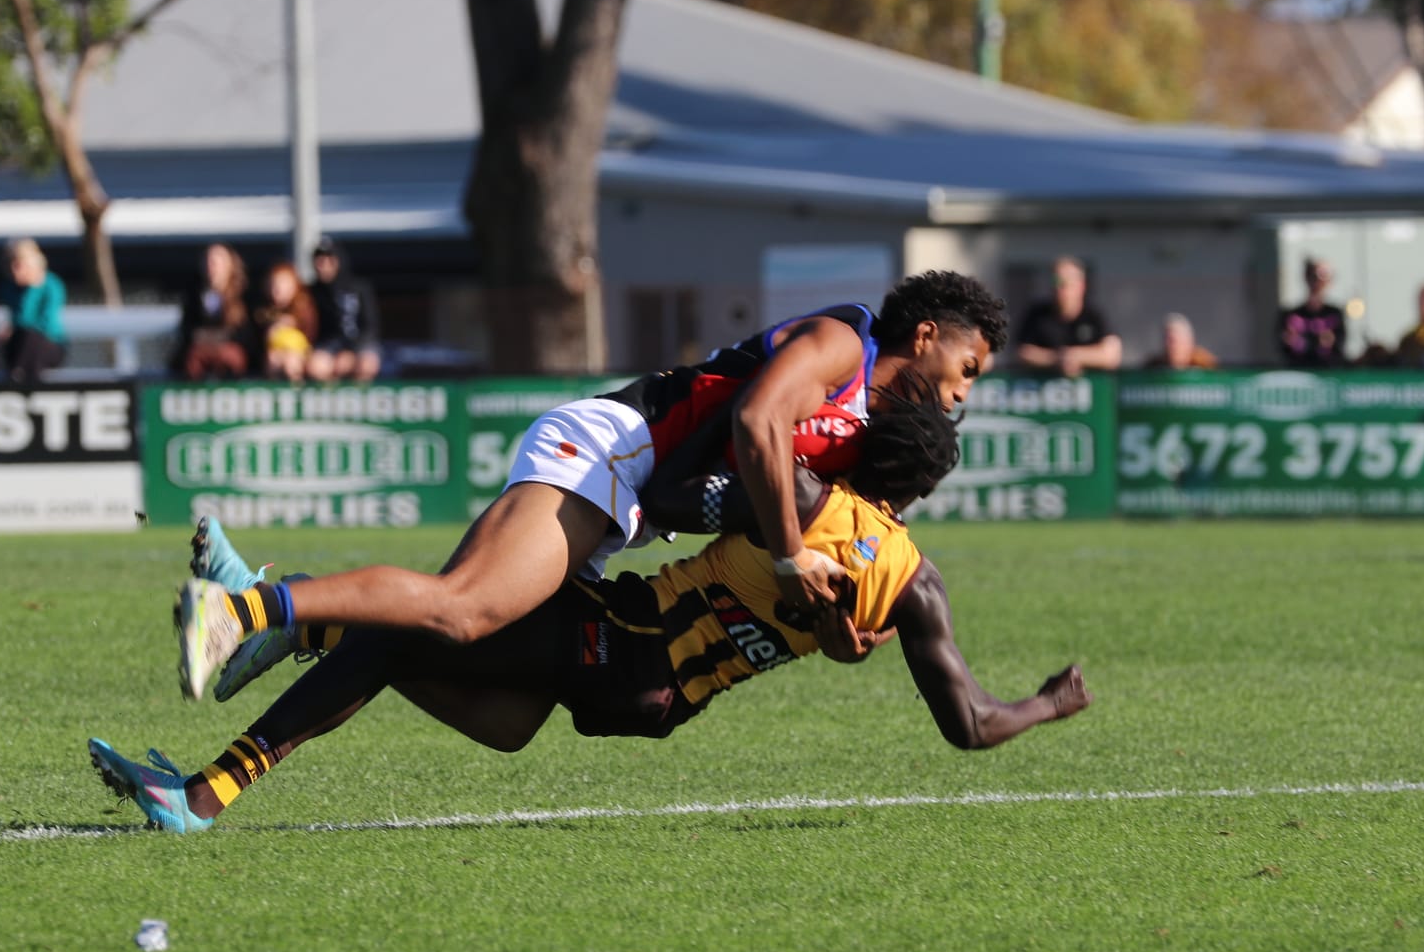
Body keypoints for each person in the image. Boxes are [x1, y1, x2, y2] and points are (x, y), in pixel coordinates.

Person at [90, 396, 1093, 832]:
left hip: (625, 635)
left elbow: (666, 497)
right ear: (920, 490)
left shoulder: (798, 499)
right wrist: (1050, 702)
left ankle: (212, 770)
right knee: (447, 676)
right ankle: (285, 633)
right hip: (658, 700)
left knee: (428, 616)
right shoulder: (915, 582)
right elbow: (971, 724)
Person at [167, 270, 1009, 705]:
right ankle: (241, 611)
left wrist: (832, 626)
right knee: (464, 609)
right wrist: (792, 560)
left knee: (504, 712)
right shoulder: (845, 345)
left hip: (633, 496)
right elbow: (757, 423)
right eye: (967, 366)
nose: (962, 391)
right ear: (925, 335)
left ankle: (285, 617)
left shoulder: (863, 432)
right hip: (618, 446)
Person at [1012, 257, 1120, 378]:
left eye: (1065, 283)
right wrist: (1056, 359)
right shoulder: (1037, 315)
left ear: (1081, 286)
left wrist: (1076, 356)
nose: (1059, 288)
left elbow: (1112, 354)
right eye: (1055, 282)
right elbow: (1022, 352)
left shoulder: (1094, 316)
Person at [170, 242, 256, 380]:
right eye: (208, 261)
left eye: (217, 262)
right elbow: (188, 331)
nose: (212, 266)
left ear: (230, 265)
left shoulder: (245, 297)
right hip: (200, 354)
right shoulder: (193, 297)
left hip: (234, 357)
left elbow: (246, 335)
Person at [306, 236, 381, 383]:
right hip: (328, 347)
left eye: (329, 260)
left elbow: (370, 326)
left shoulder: (358, 287)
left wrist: (350, 352)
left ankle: (361, 396)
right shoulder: (312, 292)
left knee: (366, 364)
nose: (324, 265)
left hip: (359, 345)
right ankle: (329, 396)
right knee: (316, 367)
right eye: (319, 261)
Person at [0, 238, 67, 382]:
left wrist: (33, 288)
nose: (14, 270)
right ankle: (18, 377)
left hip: (48, 343)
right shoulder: (9, 287)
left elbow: (45, 323)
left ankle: (19, 379)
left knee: (30, 338)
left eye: (18, 265)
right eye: (11, 265)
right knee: (19, 340)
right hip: (20, 344)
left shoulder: (51, 285)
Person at [1277, 257, 1347, 368]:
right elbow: (1283, 347)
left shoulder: (1335, 314)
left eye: (1323, 277)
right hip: (1299, 370)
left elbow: (1340, 346)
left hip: (1328, 371)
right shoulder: (1290, 315)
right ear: (1306, 277)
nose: (1317, 282)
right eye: (1313, 276)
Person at [257, 261, 317, 383]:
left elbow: (311, 334)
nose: (278, 289)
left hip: (299, 354)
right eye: (274, 284)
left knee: (291, 362)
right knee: (273, 360)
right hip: (274, 354)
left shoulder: (303, 308)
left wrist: (294, 324)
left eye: (283, 283)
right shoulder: (263, 312)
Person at [1144, 313, 1219, 370]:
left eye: (1173, 341)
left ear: (1189, 342)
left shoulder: (1208, 366)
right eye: (1166, 340)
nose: (1170, 346)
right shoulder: (1152, 368)